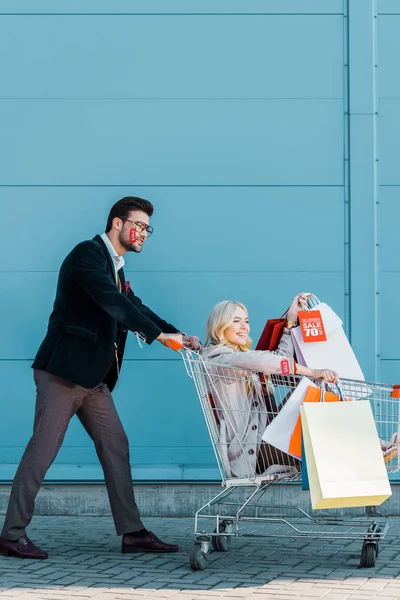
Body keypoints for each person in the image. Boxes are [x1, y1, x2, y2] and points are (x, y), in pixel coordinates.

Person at [0, 196, 199, 559]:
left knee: (116, 446)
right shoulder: (87, 255)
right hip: (62, 374)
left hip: (93, 380)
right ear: (117, 223)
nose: (143, 233)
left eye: (147, 229)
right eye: (138, 225)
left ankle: (133, 532)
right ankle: (11, 534)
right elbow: (114, 303)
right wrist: (159, 336)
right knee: (42, 451)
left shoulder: (116, 266)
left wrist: (178, 334)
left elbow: (134, 305)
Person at [201, 295, 338, 479]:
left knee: (317, 387)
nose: (244, 327)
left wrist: (291, 321)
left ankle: (363, 444)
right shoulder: (219, 359)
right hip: (254, 455)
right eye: (236, 321)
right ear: (220, 325)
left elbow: (279, 358)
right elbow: (266, 361)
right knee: (313, 385)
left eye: (246, 321)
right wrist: (312, 371)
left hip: (267, 444)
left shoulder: (243, 359)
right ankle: (365, 446)